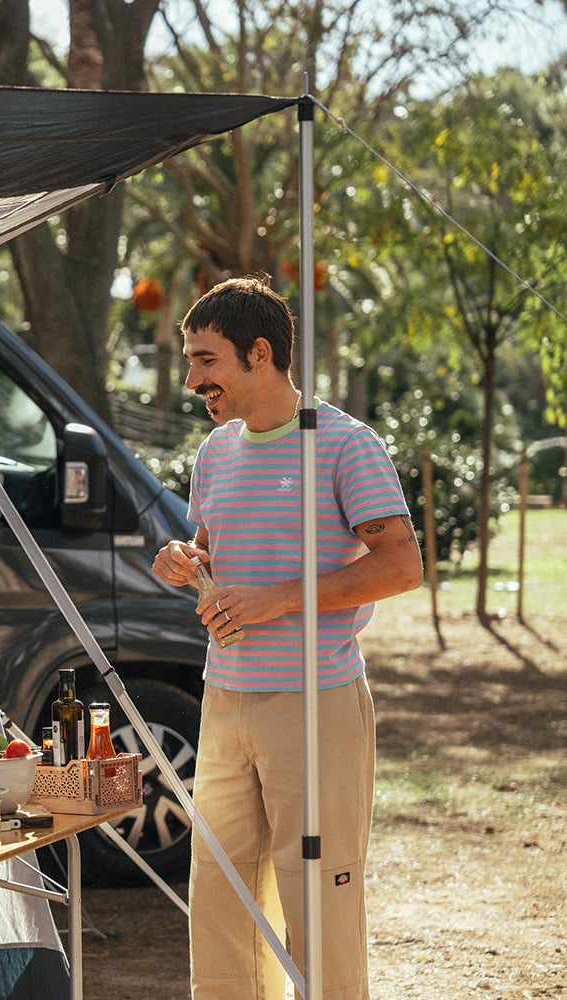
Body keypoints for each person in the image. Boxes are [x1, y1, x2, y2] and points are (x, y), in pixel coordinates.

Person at [152, 276, 422, 1000]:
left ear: (259, 353)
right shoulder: (215, 451)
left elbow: (401, 564)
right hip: (224, 700)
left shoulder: (343, 443)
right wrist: (182, 560)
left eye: (206, 360)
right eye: (190, 360)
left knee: (320, 898)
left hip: (316, 703)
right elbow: (210, 546)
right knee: (221, 899)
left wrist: (280, 600)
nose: (192, 379)